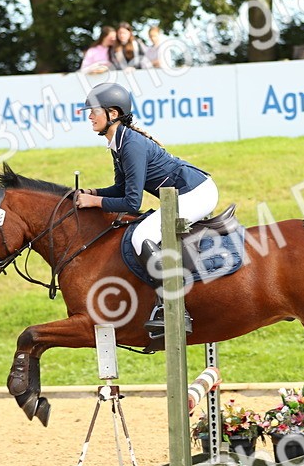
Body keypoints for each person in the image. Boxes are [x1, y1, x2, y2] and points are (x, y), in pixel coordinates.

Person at [74, 82, 218, 339]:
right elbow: (121, 188)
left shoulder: (130, 145)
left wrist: (94, 203)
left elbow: (132, 202)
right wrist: (93, 192)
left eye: (94, 111)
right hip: (184, 193)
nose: (90, 116)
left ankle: (175, 307)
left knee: (142, 236)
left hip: (196, 193)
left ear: (113, 113)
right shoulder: (119, 143)